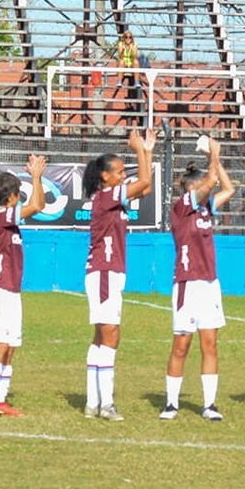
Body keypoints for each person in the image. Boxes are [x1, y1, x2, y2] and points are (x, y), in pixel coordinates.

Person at [159, 136, 235, 421]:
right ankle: (171, 403)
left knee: (210, 343)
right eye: (200, 187)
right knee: (181, 345)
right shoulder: (181, 209)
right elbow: (212, 182)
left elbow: (227, 187)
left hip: (209, 284)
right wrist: (212, 155)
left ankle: (209, 404)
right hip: (187, 284)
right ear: (190, 190)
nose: (204, 190)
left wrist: (215, 160)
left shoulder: (205, 209)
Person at [83, 127, 156, 421]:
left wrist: (147, 150)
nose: (123, 175)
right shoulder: (106, 196)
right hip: (104, 271)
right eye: (119, 171)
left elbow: (146, 188)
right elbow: (145, 181)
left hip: (108, 272)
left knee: (103, 337)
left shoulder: (113, 196)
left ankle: (93, 403)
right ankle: (106, 404)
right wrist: (140, 150)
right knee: (110, 337)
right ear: (105, 176)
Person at [0, 154, 48, 418]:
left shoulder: (8, 218)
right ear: (12, 196)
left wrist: (36, 178)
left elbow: (37, 204)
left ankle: (1, 399)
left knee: (11, 346)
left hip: (11, 289)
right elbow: (37, 206)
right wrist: (37, 176)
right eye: (18, 194)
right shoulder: (0, 216)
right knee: (0, 345)